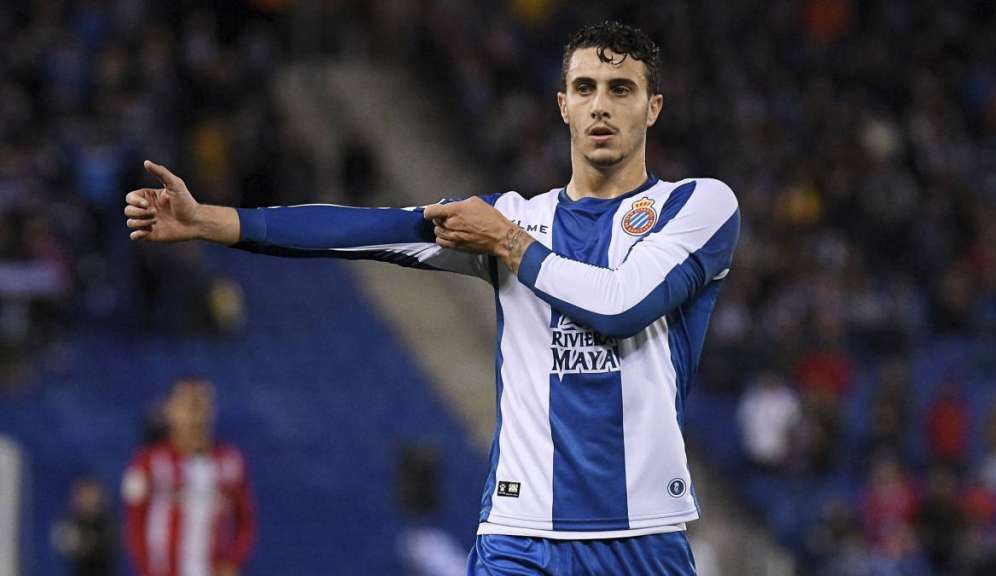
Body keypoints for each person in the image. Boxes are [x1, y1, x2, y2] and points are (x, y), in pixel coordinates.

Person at [124, 21, 739, 575]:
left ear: (653, 107)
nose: (600, 105)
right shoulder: (512, 218)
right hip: (519, 538)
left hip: (640, 537)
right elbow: (366, 230)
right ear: (563, 106)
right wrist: (211, 220)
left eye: (621, 89)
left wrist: (506, 242)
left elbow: (622, 305)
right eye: (585, 88)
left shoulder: (696, 207)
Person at [121, 378, 255, 576]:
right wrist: (147, 570)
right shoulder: (146, 463)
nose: (196, 414)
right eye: (188, 405)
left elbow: (246, 521)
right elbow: (134, 524)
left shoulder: (231, 461)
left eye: (203, 404)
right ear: (170, 410)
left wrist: (233, 562)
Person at [51, 476, 117, 576]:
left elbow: (102, 544)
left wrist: (86, 542)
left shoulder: (107, 521)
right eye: (83, 495)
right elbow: (64, 542)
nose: (87, 499)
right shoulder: (73, 521)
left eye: (90, 494)